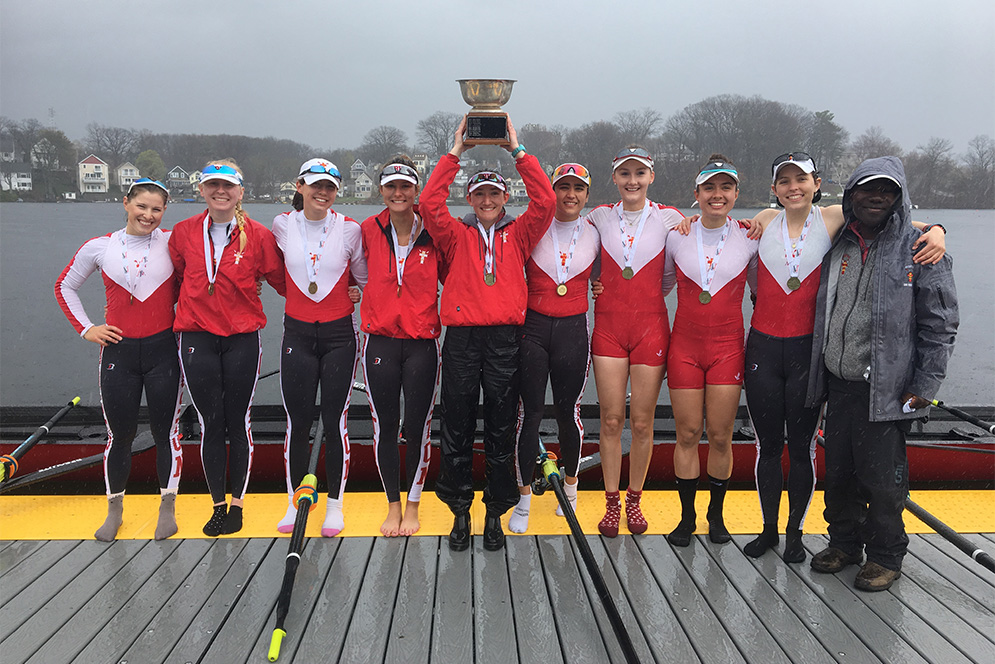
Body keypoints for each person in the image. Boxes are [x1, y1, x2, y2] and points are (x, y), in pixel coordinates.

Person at [740, 152, 946, 563]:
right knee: (768, 447)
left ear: (818, 184)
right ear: (774, 188)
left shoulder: (833, 218)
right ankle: (769, 530)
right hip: (764, 348)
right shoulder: (763, 223)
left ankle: (796, 533)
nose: (793, 187)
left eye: (802, 179)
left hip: (808, 354)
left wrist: (939, 230)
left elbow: (910, 223)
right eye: (784, 181)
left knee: (801, 449)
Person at [806, 156, 957, 590]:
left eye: (887, 191)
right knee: (838, 473)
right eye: (867, 189)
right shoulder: (839, 241)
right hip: (839, 382)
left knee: (882, 479)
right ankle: (845, 542)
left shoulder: (920, 247)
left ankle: (887, 555)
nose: (877, 197)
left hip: (887, 389)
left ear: (899, 197)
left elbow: (940, 324)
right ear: (851, 194)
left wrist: (925, 386)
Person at [419, 114, 555, 551]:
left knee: (500, 430)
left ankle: (495, 514)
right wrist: (456, 152)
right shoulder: (454, 235)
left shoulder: (520, 234)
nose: (488, 200)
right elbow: (428, 203)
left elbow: (547, 202)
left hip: (504, 343)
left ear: (505, 196)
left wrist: (518, 151)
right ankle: (460, 512)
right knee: (456, 428)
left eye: (495, 194)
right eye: (480, 194)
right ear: (472, 198)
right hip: (461, 342)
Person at [56, 179, 183, 541]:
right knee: (120, 435)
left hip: (164, 352)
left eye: (156, 209)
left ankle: (167, 507)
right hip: (118, 353)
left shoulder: (173, 242)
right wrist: (87, 329)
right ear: (126, 203)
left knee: (165, 433)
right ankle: (115, 509)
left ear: (164, 212)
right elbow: (65, 286)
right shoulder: (99, 247)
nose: (148, 215)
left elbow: (212, 268)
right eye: (141, 206)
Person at [168, 160, 285, 536]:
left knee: (238, 420)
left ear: (240, 192)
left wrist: (345, 290)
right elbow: (170, 284)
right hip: (196, 337)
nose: (221, 191)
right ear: (201, 190)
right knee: (210, 422)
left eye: (228, 186)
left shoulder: (259, 235)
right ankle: (218, 504)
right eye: (213, 185)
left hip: (241, 338)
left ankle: (238, 503)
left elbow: (285, 282)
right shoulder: (183, 233)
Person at [586, 146, 684, 537]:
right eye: (624, 174)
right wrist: (594, 284)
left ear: (651, 178)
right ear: (614, 179)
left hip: (651, 327)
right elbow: (581, 255)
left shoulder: (671, 219)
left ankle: (635, 500)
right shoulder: (598, 217)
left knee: (642, 422)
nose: (632, 181)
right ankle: (611, 504)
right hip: (609, 327)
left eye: (639, 174)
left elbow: (676, 271)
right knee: (611, 420)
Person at [662, 155, 757, 546]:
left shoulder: (752, 236)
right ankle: (686, 519)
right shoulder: (677, 234)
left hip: (727, 349)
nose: (717, 195)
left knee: (720, 436)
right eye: (709, 188)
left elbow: (762, 294)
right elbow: (657, 287)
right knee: (686, 434)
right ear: (696, 193)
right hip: (684, 347)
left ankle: (716, 517)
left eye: (725, 188)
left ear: (736, 193)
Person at [271, 158, 366, 537]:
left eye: (329, 186)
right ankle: (294, 503)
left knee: (335, 422)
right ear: (300, 186)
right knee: (297, 423)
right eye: (315, 185)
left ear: (337, 191)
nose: (322, 192)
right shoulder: (281, 224)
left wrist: (356, 291)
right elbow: (274, 271)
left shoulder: (350, 229)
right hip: (297, 336)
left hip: (339, 336)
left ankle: (334, 506)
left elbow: (362, 276)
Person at [509, 163, 599, 533]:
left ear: (587, 195)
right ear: (552, 191)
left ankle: (572, 491)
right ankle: (524, 497)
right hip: (532, 329)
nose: (571, 195)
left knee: (568, 413)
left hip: (573, 332)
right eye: (563, 187)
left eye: (578, 188)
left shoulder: (597, 231)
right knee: (528, 415)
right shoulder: (531, 226)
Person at [359, 156, 442, 537]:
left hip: (422, 344)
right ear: (381, 191)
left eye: (405, 186)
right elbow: (352, 272)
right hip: (380, 342)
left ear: (415, 190)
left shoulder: (436, 233)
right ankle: (392, 505)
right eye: (390, 187)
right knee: (385, 427)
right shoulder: (366, 229)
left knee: (418, 427)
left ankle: (413, 504)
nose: (398, 193)